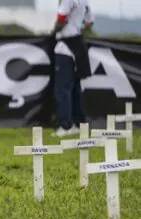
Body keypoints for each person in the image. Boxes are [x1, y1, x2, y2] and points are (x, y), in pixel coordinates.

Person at [51, 0, 94, 137]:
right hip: (78, 45)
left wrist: (53, 32)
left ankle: (66, 125)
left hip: (65, 47)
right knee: (75, 88)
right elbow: (89, 21)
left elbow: (61, 18)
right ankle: (77, 123)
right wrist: (77, 27)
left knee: (63, 89)